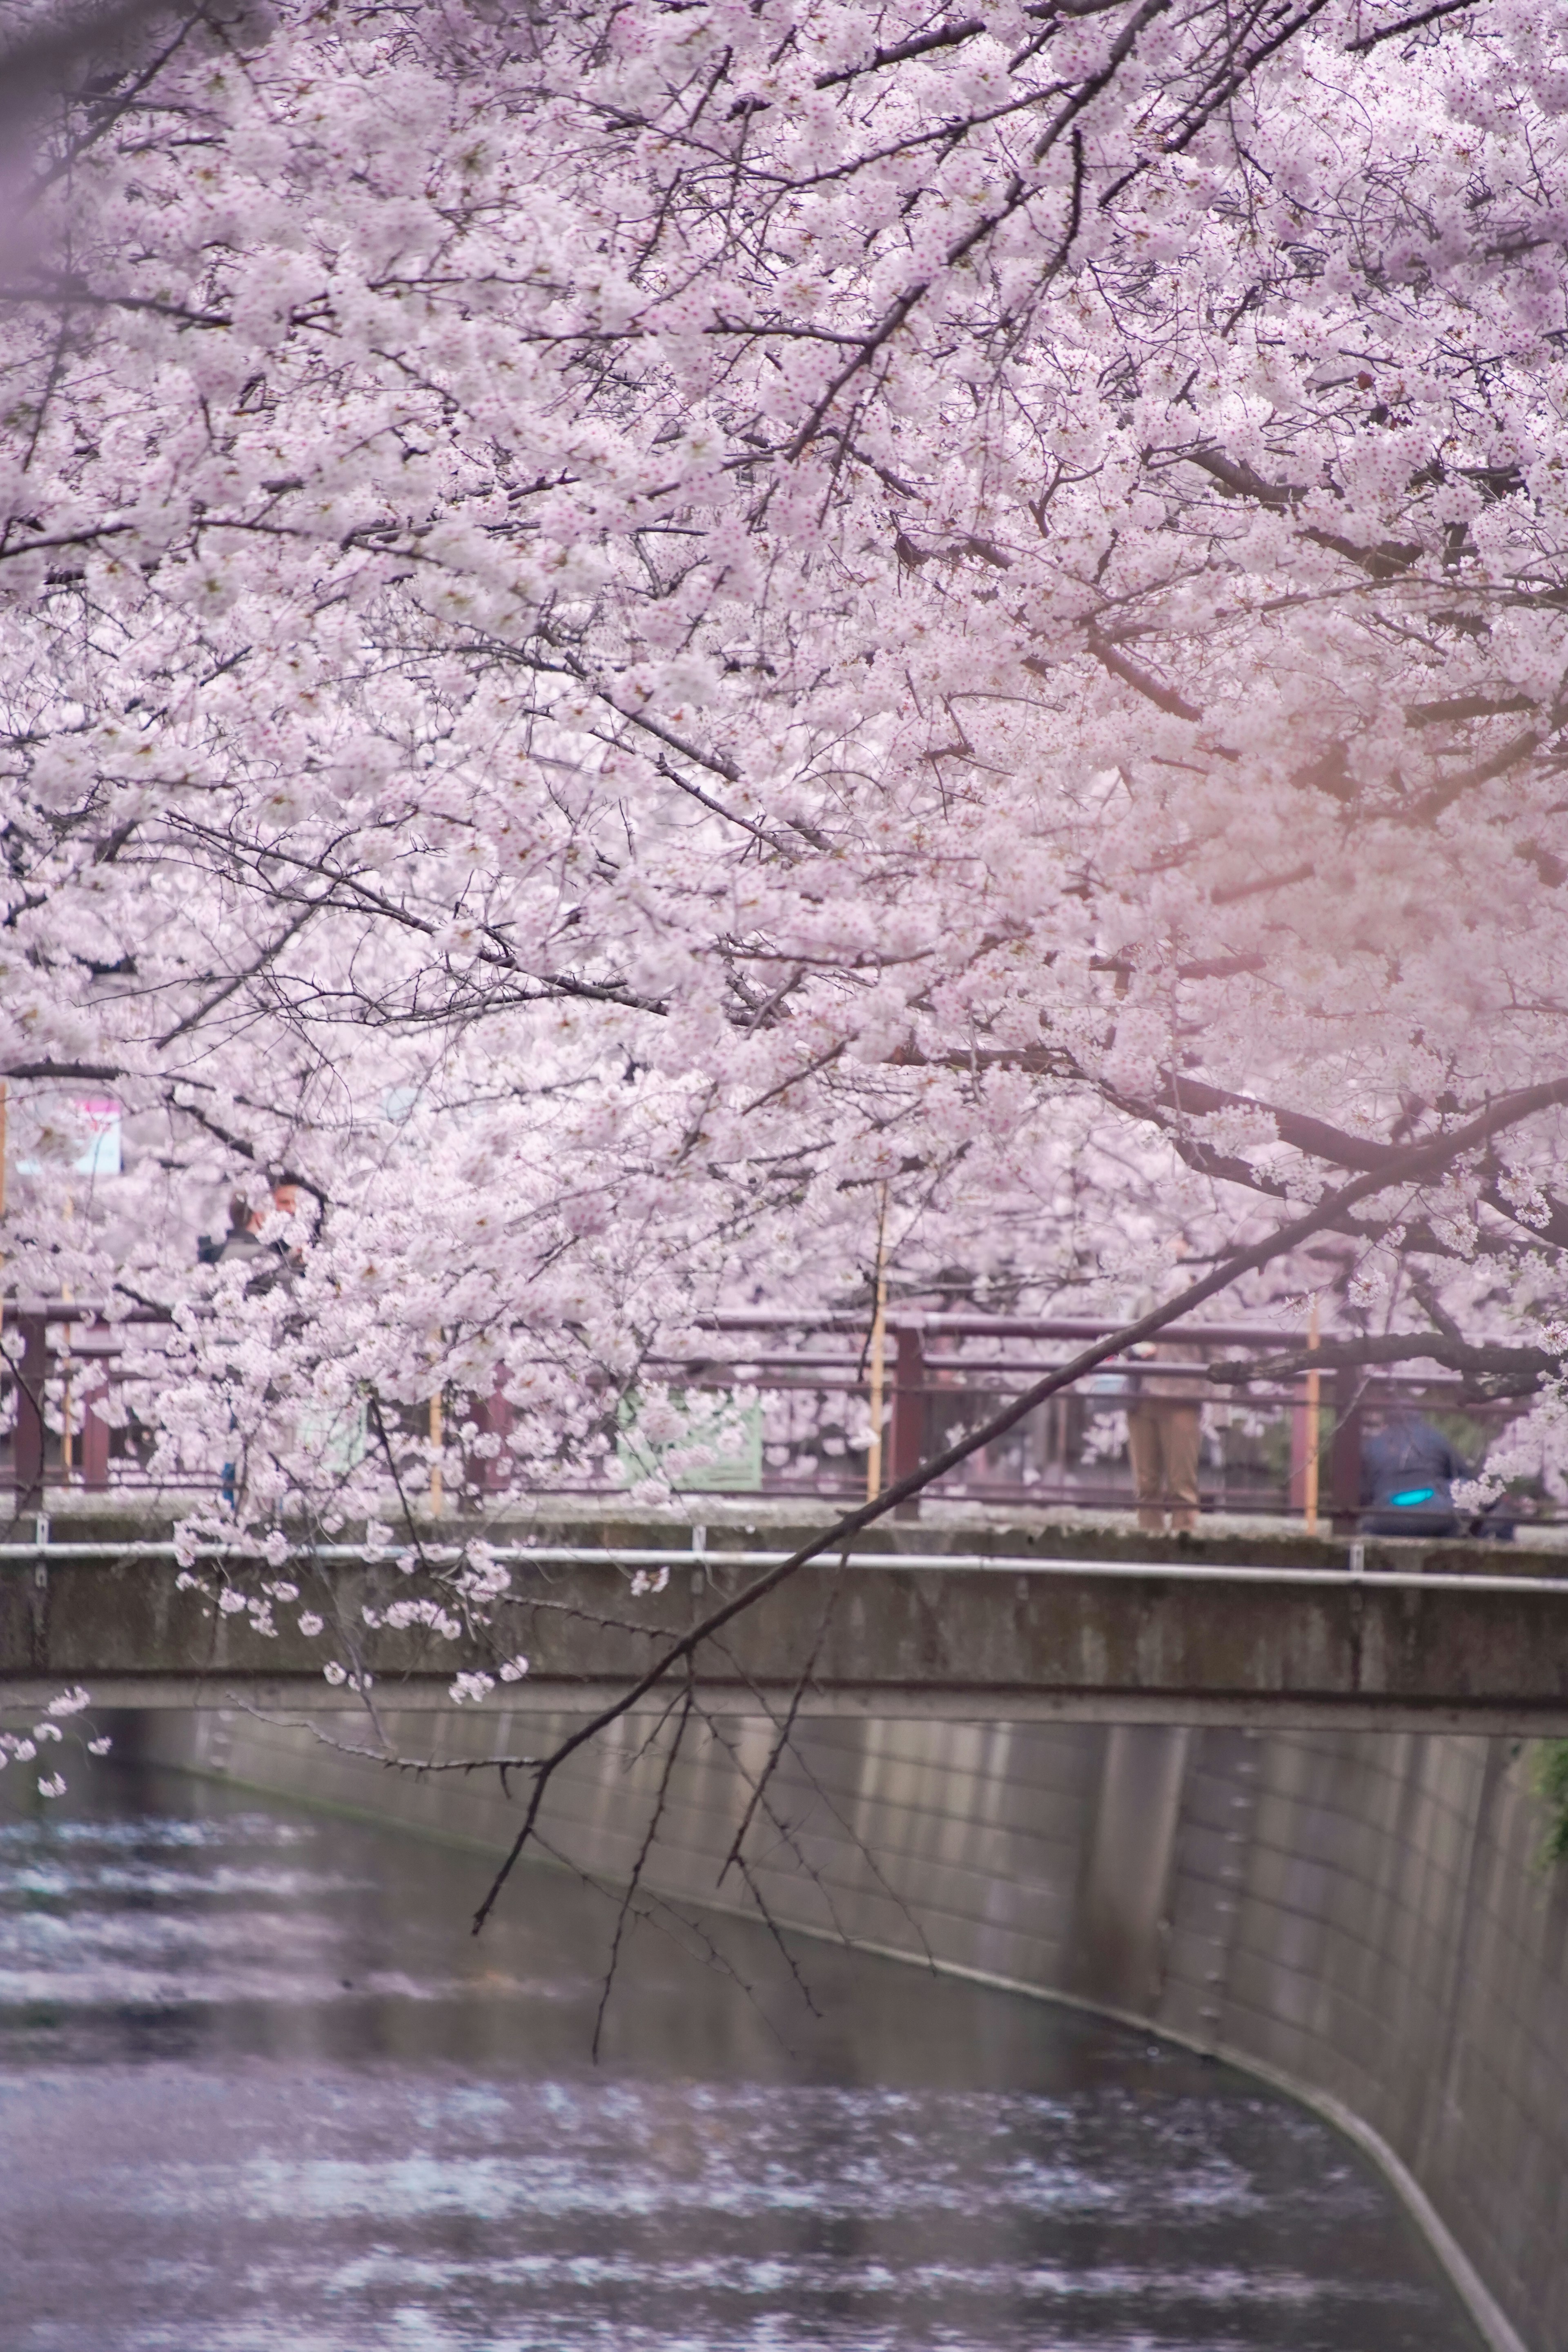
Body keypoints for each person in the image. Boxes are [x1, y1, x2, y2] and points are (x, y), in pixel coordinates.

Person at [1125, 1338, 1206, 1535]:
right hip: (1142, 1396)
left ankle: (1184, 1541)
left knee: (1182, 1483)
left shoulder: (1206, 1308)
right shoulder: (1139, 1305)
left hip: (1183, 1398)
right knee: (1145, 1484)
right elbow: (1120, 1336)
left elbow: (1219, 1352)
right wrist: (1135, 1350)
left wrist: (1222, 1410)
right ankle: (1149, 1540)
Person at [1361, 1410, 1466, 1537]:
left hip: (1387, 1516)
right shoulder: (1435, 1437)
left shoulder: (1374, 1443)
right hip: (1435, 1512)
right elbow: (1464, 1475)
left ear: (1386, 1422)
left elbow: (1362, 1493)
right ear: (1420, 1418)